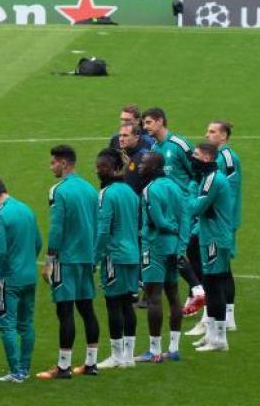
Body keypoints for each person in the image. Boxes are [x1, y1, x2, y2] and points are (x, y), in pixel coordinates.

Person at [37, 145, 100, 380]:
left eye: (53, 162)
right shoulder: (91, 190)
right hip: (86, 257)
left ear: (64, 163)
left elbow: (56, 227)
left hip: (66, 258)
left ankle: (63, 367)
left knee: (65, 311)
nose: (51, 166)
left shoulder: (58, 190)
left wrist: (49, 260)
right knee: (87, 309)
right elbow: (97, 224)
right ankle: (91, 363)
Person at [0, 176, 42, 383]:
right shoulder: (27, 209)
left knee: (6, 325)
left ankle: (16, 372)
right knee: (26, 324)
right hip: (29, 276)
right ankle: (25, 368)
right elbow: (38, 243)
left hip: (9, 279)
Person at [141, 108, 203, 312]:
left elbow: (197, 171)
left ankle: (198, 291)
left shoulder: (179, 145)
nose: (145, 127)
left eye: (149, 122)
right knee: (173, 251)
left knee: (182, 249)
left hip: (181, 207)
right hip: (164, 206)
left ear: (160, 121)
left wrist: (190, 198)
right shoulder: (154, 148)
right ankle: (196, 292)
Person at [92, 149, 141, 369]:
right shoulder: (130, 192)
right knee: (128, 304)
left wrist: (95, 257)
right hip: (132, 255)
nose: (98, 170)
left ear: (115, 168)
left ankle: (116, 356)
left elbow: (103, 230)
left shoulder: (106, 194)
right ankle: (128, 356)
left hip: (115, 256)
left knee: (114, 304)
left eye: (102, 167)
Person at [186, 142, 235, 352]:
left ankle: (219, 339)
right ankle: (213, 334)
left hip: (215, 239)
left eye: (196, 155)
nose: (193, 159)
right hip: (212, 236)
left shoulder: (212, 179)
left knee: (214, 285)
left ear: (206, 158)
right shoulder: (209, 178)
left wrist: (190, 188)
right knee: (213, 284)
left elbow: (195, 207)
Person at [136, 152, 184, 362]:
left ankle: (154, 351)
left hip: (154, 247)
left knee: (153, 297)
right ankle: (173, 348)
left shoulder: (150, 189)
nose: (139, 167)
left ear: (154, 167)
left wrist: (169, 228)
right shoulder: (175, 186)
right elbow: (185, 216)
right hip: (173, 247)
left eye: (144, 164)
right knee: (173, 295)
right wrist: (179, 241)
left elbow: (158, 221)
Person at [201, 119, 240, 330]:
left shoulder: (227, 157)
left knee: (220, 269)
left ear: (224, 136)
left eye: (213, 132)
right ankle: (223, 317)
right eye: (208, 131)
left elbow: (230, 190)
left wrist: (221, 217)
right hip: (218, 221)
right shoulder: (219, 157)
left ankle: (225, 317)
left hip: (222, 223)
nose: (208, 135)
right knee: (221, 268)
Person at [116, 122, 150, 196]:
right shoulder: (125, 153)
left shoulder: (142, 158)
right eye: (120, 135)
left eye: (125, 136)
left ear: (136, 138)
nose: (121, 139)